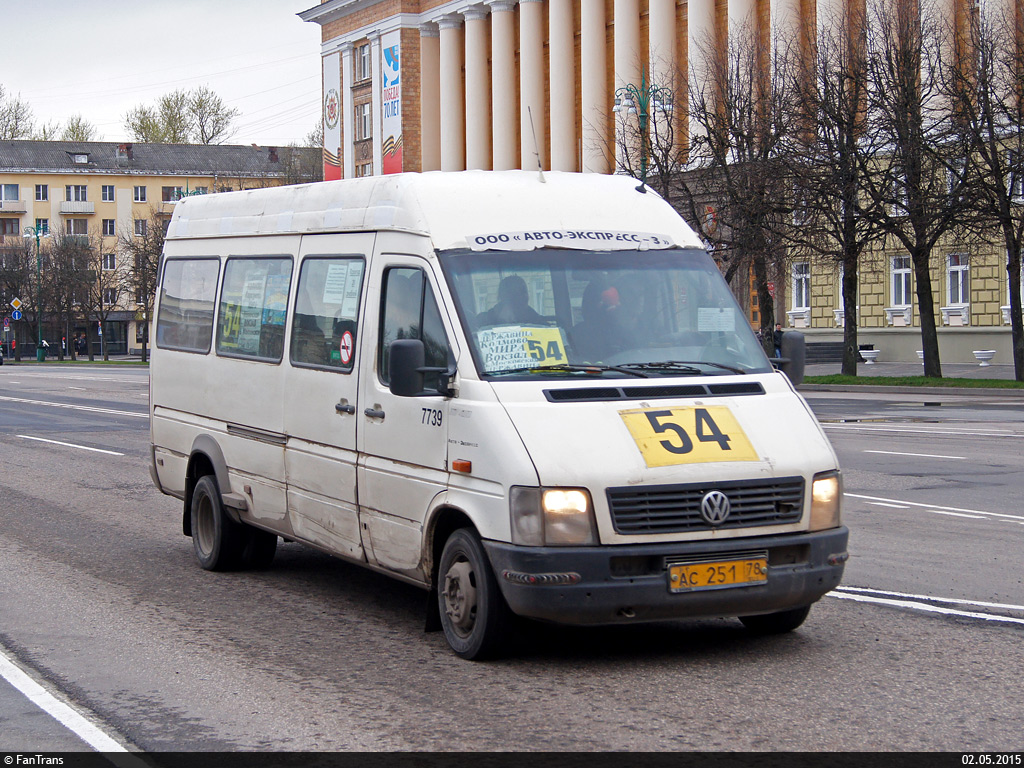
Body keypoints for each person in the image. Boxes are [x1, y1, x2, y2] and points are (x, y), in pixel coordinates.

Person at [476, 275, 543, 326]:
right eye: (516, 293)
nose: (524, 296)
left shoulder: (536, 320)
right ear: (504, 296)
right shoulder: (484, 320)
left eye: (524, 292)